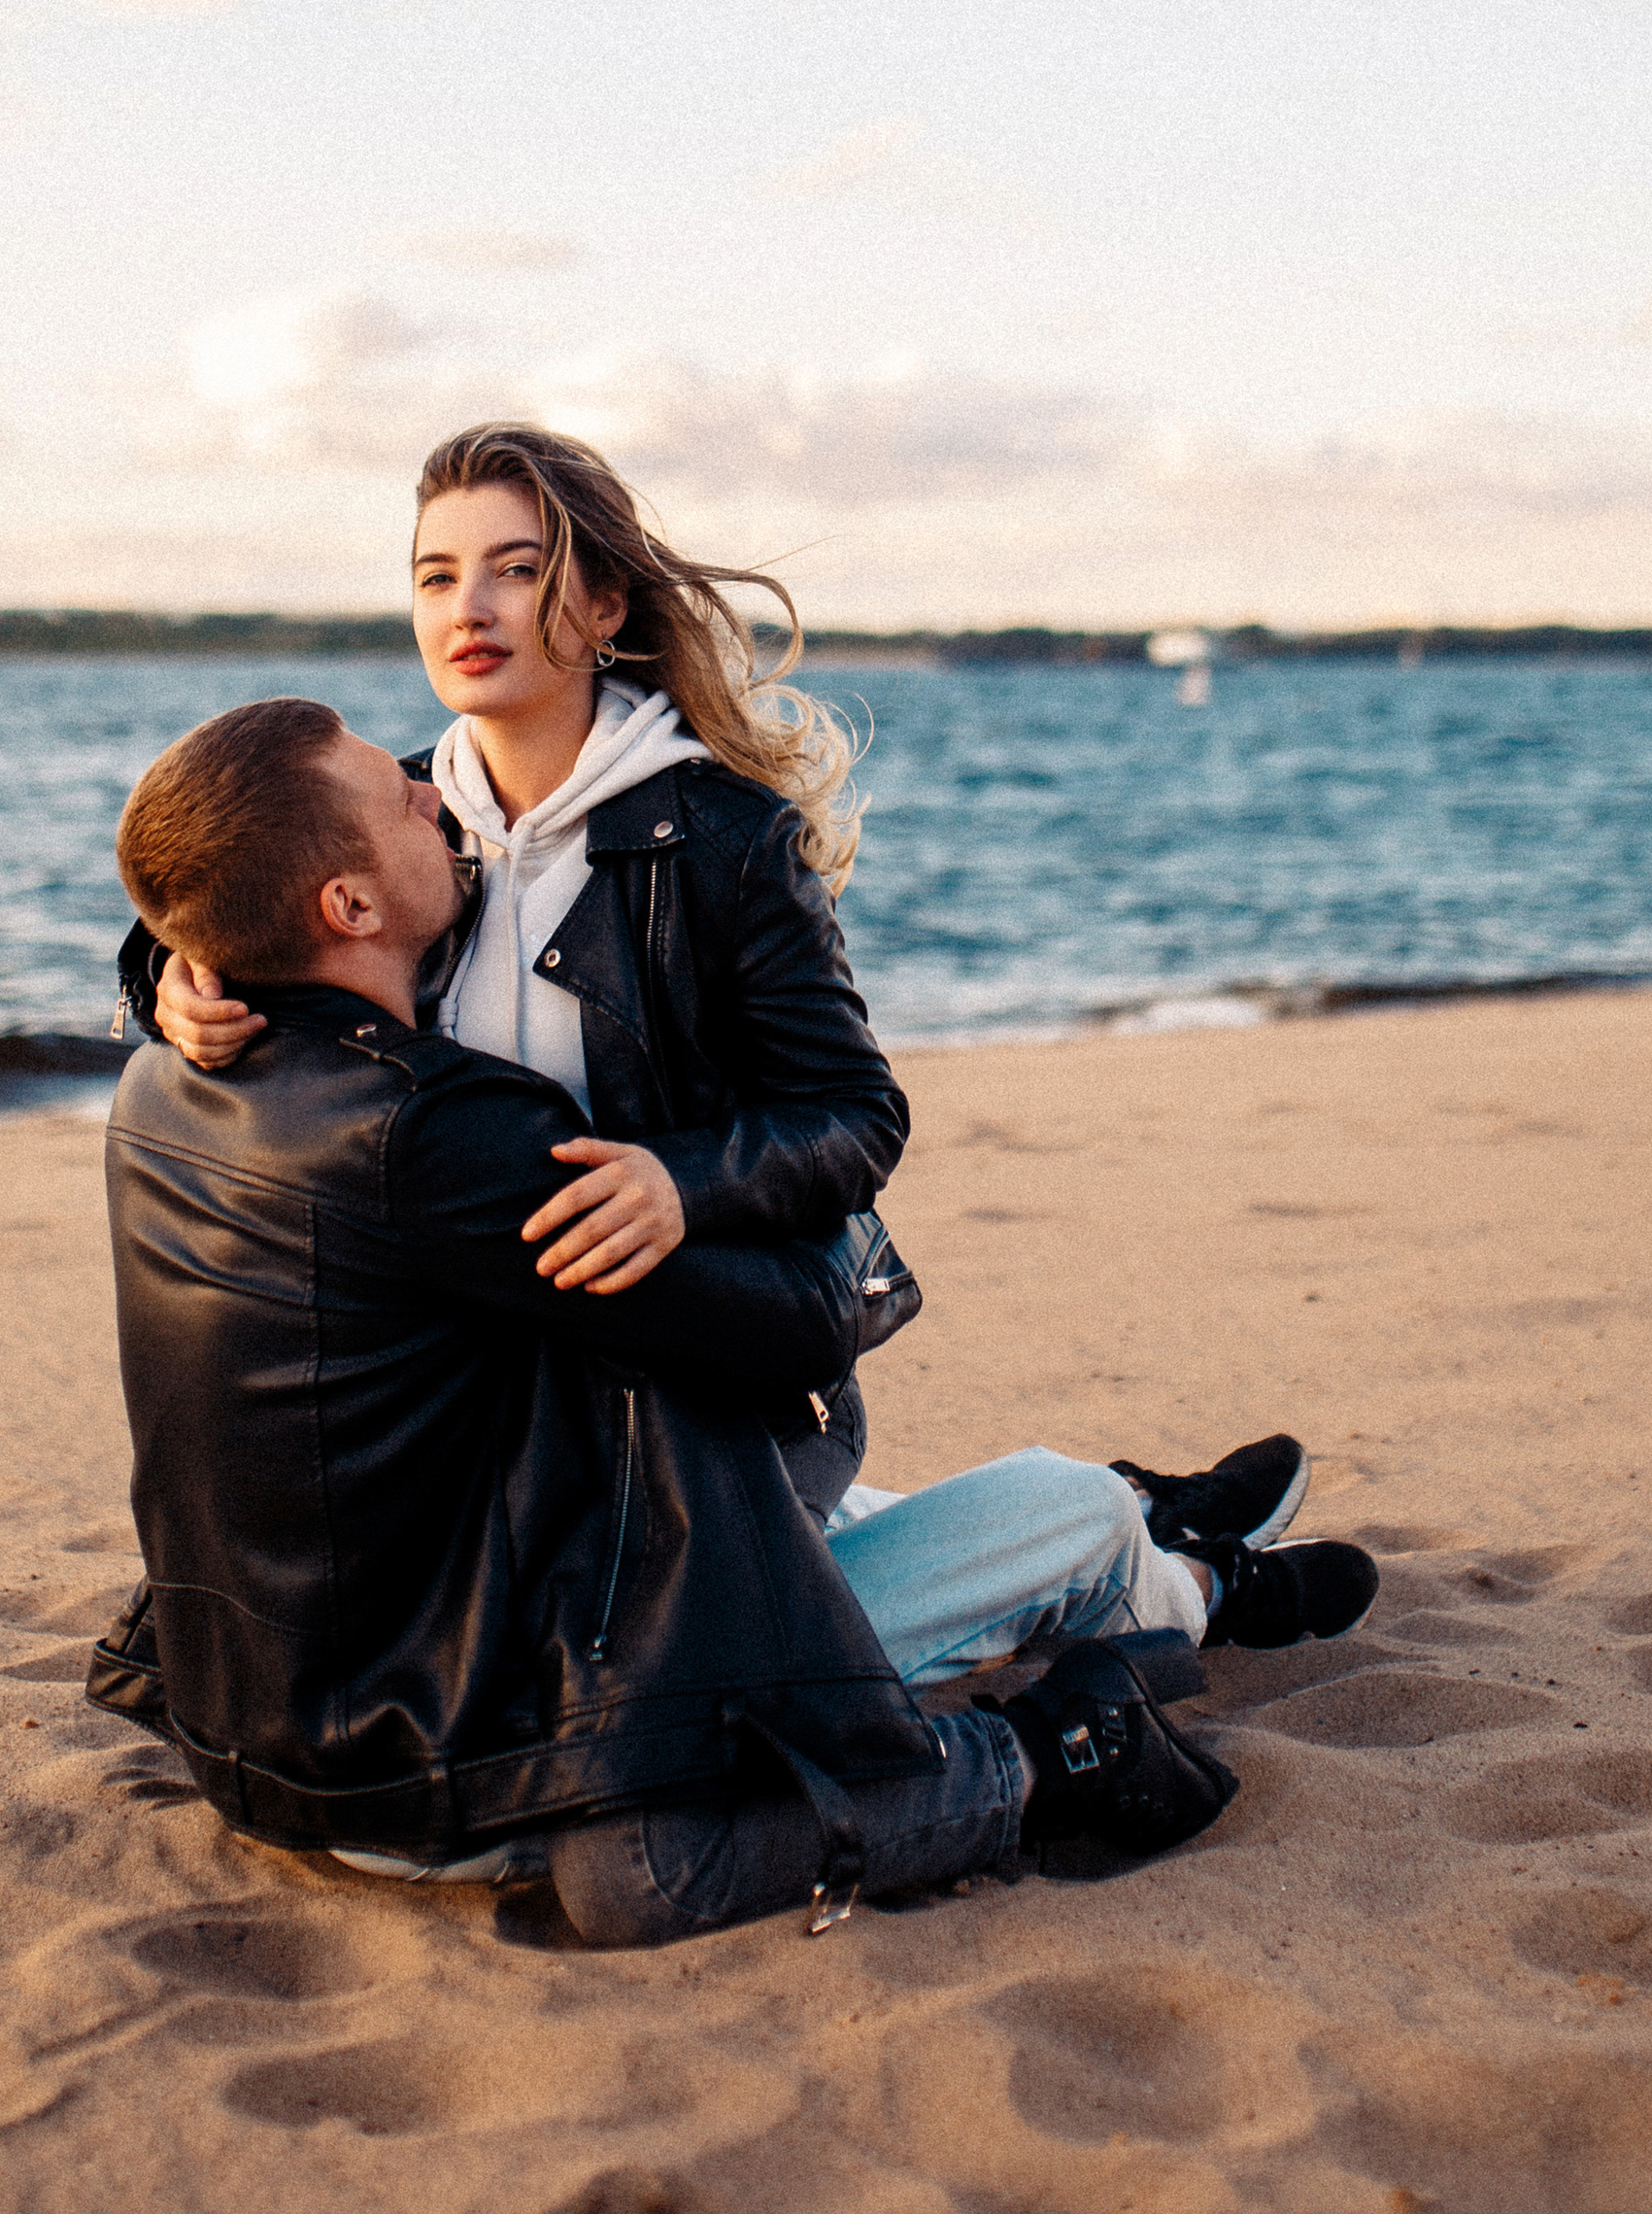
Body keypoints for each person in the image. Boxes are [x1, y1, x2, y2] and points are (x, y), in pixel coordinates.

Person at [92, 697, 1379, 1949]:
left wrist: (169, 960)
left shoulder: (161, 1082)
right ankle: (1165, 1555)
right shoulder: (434, 1129)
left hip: (317, 1691)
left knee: (770, 1517)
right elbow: (793, 1336)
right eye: (400, 792)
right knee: (1026, 1527)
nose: (434, 792)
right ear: (351, 908)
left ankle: (1169, 1538)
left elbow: (257, 877)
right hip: (479, 1682)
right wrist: (751, 1210)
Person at [125, 423, 905, 1522]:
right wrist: (171, 976)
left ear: (604, 608)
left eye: (518, 570)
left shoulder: (728, 841)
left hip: (680, 1399)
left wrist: (682, 1180)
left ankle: (1127, 1543)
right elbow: (228, 897)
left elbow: (854, 1116)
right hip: (464, 1411)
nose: (467, 609)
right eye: (436, 577)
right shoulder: (384, 819)